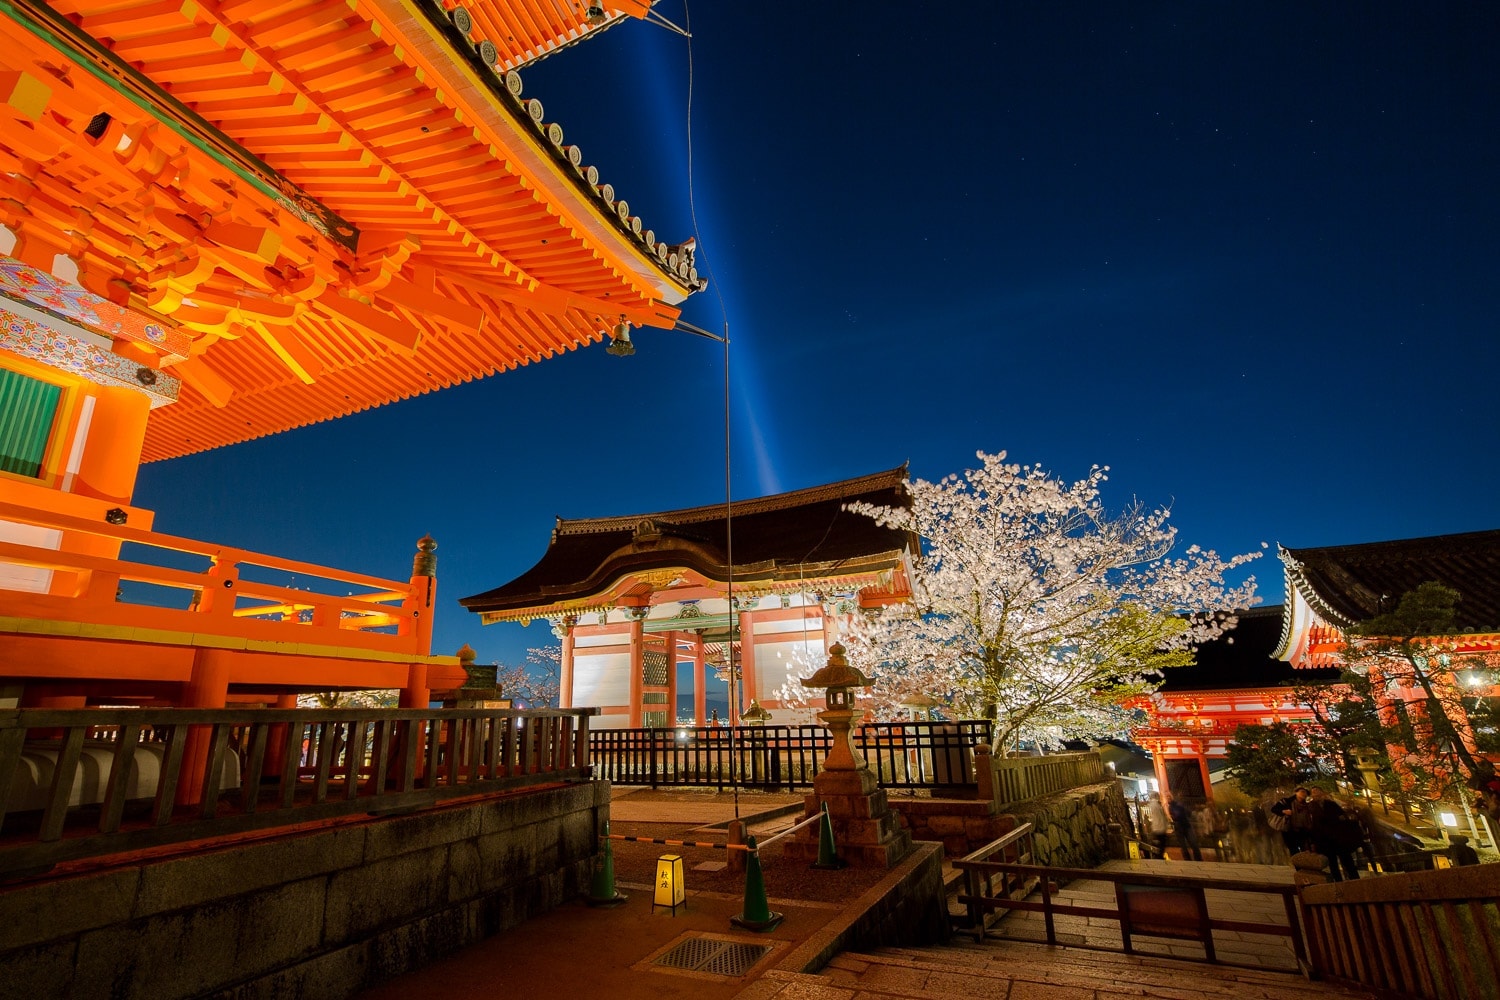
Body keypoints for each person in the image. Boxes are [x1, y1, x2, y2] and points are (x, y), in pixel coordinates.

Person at [1308, 787, 1360, 881]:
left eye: (1318, 792)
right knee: (1332, 863)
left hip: (1338, 837)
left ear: (1322, 793)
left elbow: (1342, 816)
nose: (1316, 794)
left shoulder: (1330, 804)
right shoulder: (1310, 806)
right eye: (1313, 793)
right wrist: (1313, 842)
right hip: (1324, 839)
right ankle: (1338, 881)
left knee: (1347, 860)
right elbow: (1311, 825)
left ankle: (1355, 879)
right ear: (1311, 795)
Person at [1270, 786, 1314, 855]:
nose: (1304, 794)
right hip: (1289, 830)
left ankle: (1304, 864)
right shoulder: (1286, 801)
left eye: (1306, 793)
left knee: (1306, 850)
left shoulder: (1308, 805)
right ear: (1296, 792)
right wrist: (1283, 811)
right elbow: (1274, 809)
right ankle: (1297, 864)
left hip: (1303, 830)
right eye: (1302, 792)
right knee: (1293, 850)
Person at [1168, 794, 1203, 861]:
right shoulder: (1176, 805)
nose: (1168, 799)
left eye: (1168, 797)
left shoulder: (1172, 807)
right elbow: (1188, 813)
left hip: (1181, 826)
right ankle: (1197, 859)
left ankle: (1189, 859)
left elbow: (1177, 815)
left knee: (1185, 845)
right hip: (1185, 825)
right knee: (1191, 844)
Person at [1141, 792, 1169, 858]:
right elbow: (1162, 817)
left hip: (1155, 827)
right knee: (1161, 844)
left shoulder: (1151, 805)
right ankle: (1159, 856)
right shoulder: (1157, 805)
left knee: (1157, 843)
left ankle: (1158, 855)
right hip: (1160, 828)